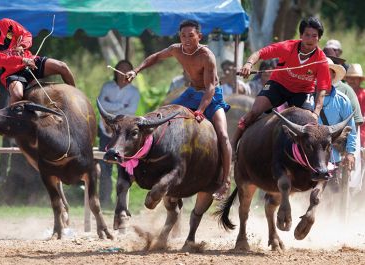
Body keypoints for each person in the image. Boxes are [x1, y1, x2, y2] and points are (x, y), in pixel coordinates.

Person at [125, 20, 232, 200]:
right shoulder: (176, 49)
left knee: (223, 134)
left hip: (212, 96)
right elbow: (156, 57)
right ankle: (139, 163)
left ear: (199, 36)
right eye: (183, 36)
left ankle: (226, 181)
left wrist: (200, 110)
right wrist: (136, 71)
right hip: (190, 93)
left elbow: (211, 88)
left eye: (191, 36)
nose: (187, 39)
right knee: (160, 118)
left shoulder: (206, 55)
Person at [235, 17, 331, 150]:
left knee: (310, 124)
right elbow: (260, 53)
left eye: (314, 36)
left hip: (302, 92)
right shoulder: (287, 47)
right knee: (254, 112)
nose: (310, 39)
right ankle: (233, 143)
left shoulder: (322, 60)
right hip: (278, 85)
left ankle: (310, 161)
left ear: (319, 38)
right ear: (301, 35)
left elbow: (321, 90)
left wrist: (316, 113)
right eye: (307, 35)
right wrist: (248, 64)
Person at [0, 8, 75, 104]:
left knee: (62, 67)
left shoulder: (7, 23)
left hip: (30, 61)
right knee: (17, 95)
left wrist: (22, 46)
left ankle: (74, 99)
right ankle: (11, 120)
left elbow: (26, 34)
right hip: (12, 73)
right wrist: (22, 60)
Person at [98, 59, 140, 208]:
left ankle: (120, 201)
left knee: (123, 167)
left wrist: (113, 107)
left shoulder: (134, 92)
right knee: (104, 167)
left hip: (123, 135)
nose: (123, 72)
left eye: (127, 69)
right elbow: (102, 105)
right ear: (115, 71)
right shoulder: (107, 87)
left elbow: (131, 111)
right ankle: (104, 200)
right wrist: (122, 106)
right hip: (105, 130)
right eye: (120, 69)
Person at [319, 58, 356, 204]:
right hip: (308, 156)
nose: (324, 77)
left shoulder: (343, 100)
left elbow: (351, 128)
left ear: (333, 76)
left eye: (327, 73)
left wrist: (350, 152)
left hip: (333, 156)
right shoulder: (307, 98)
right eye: (320, 73)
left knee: (330, 196)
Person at [345, 63, 365, 147]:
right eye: (350, 78)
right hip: (344, 130)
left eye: (355, 78)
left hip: (361, 131)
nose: (352, 80)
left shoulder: (363, 94)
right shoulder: (343, 93)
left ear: (360, 80)